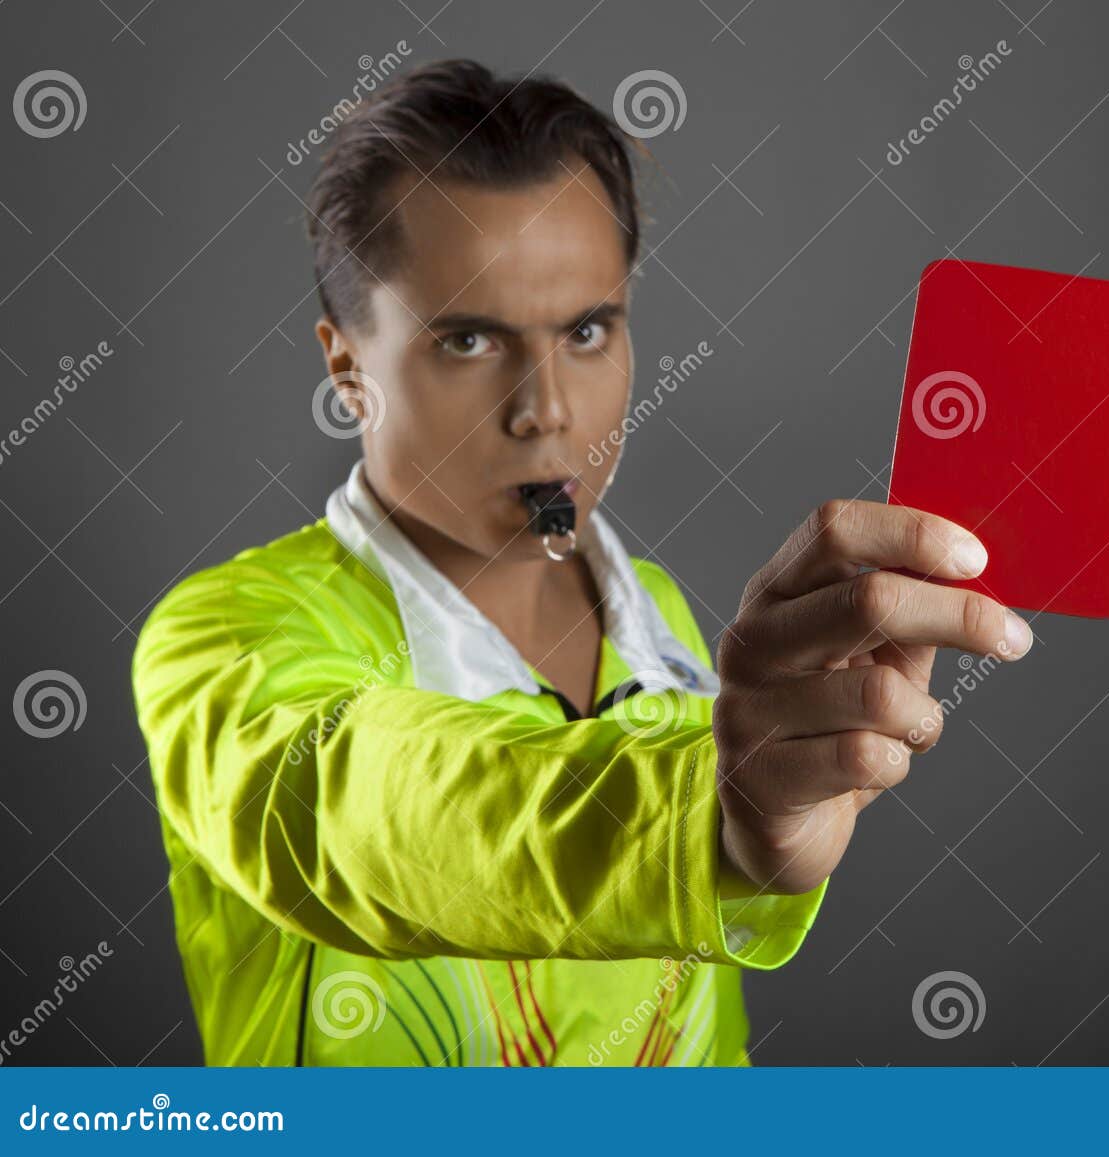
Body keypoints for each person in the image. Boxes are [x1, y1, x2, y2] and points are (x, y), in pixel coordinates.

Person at [130, 59, 1033, 1067]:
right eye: (468, 340)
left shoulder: (658, 615)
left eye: (588, 329)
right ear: (347, 367)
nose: (546, 409)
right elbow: (373, 808)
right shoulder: (223, 636)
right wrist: (706, 819)